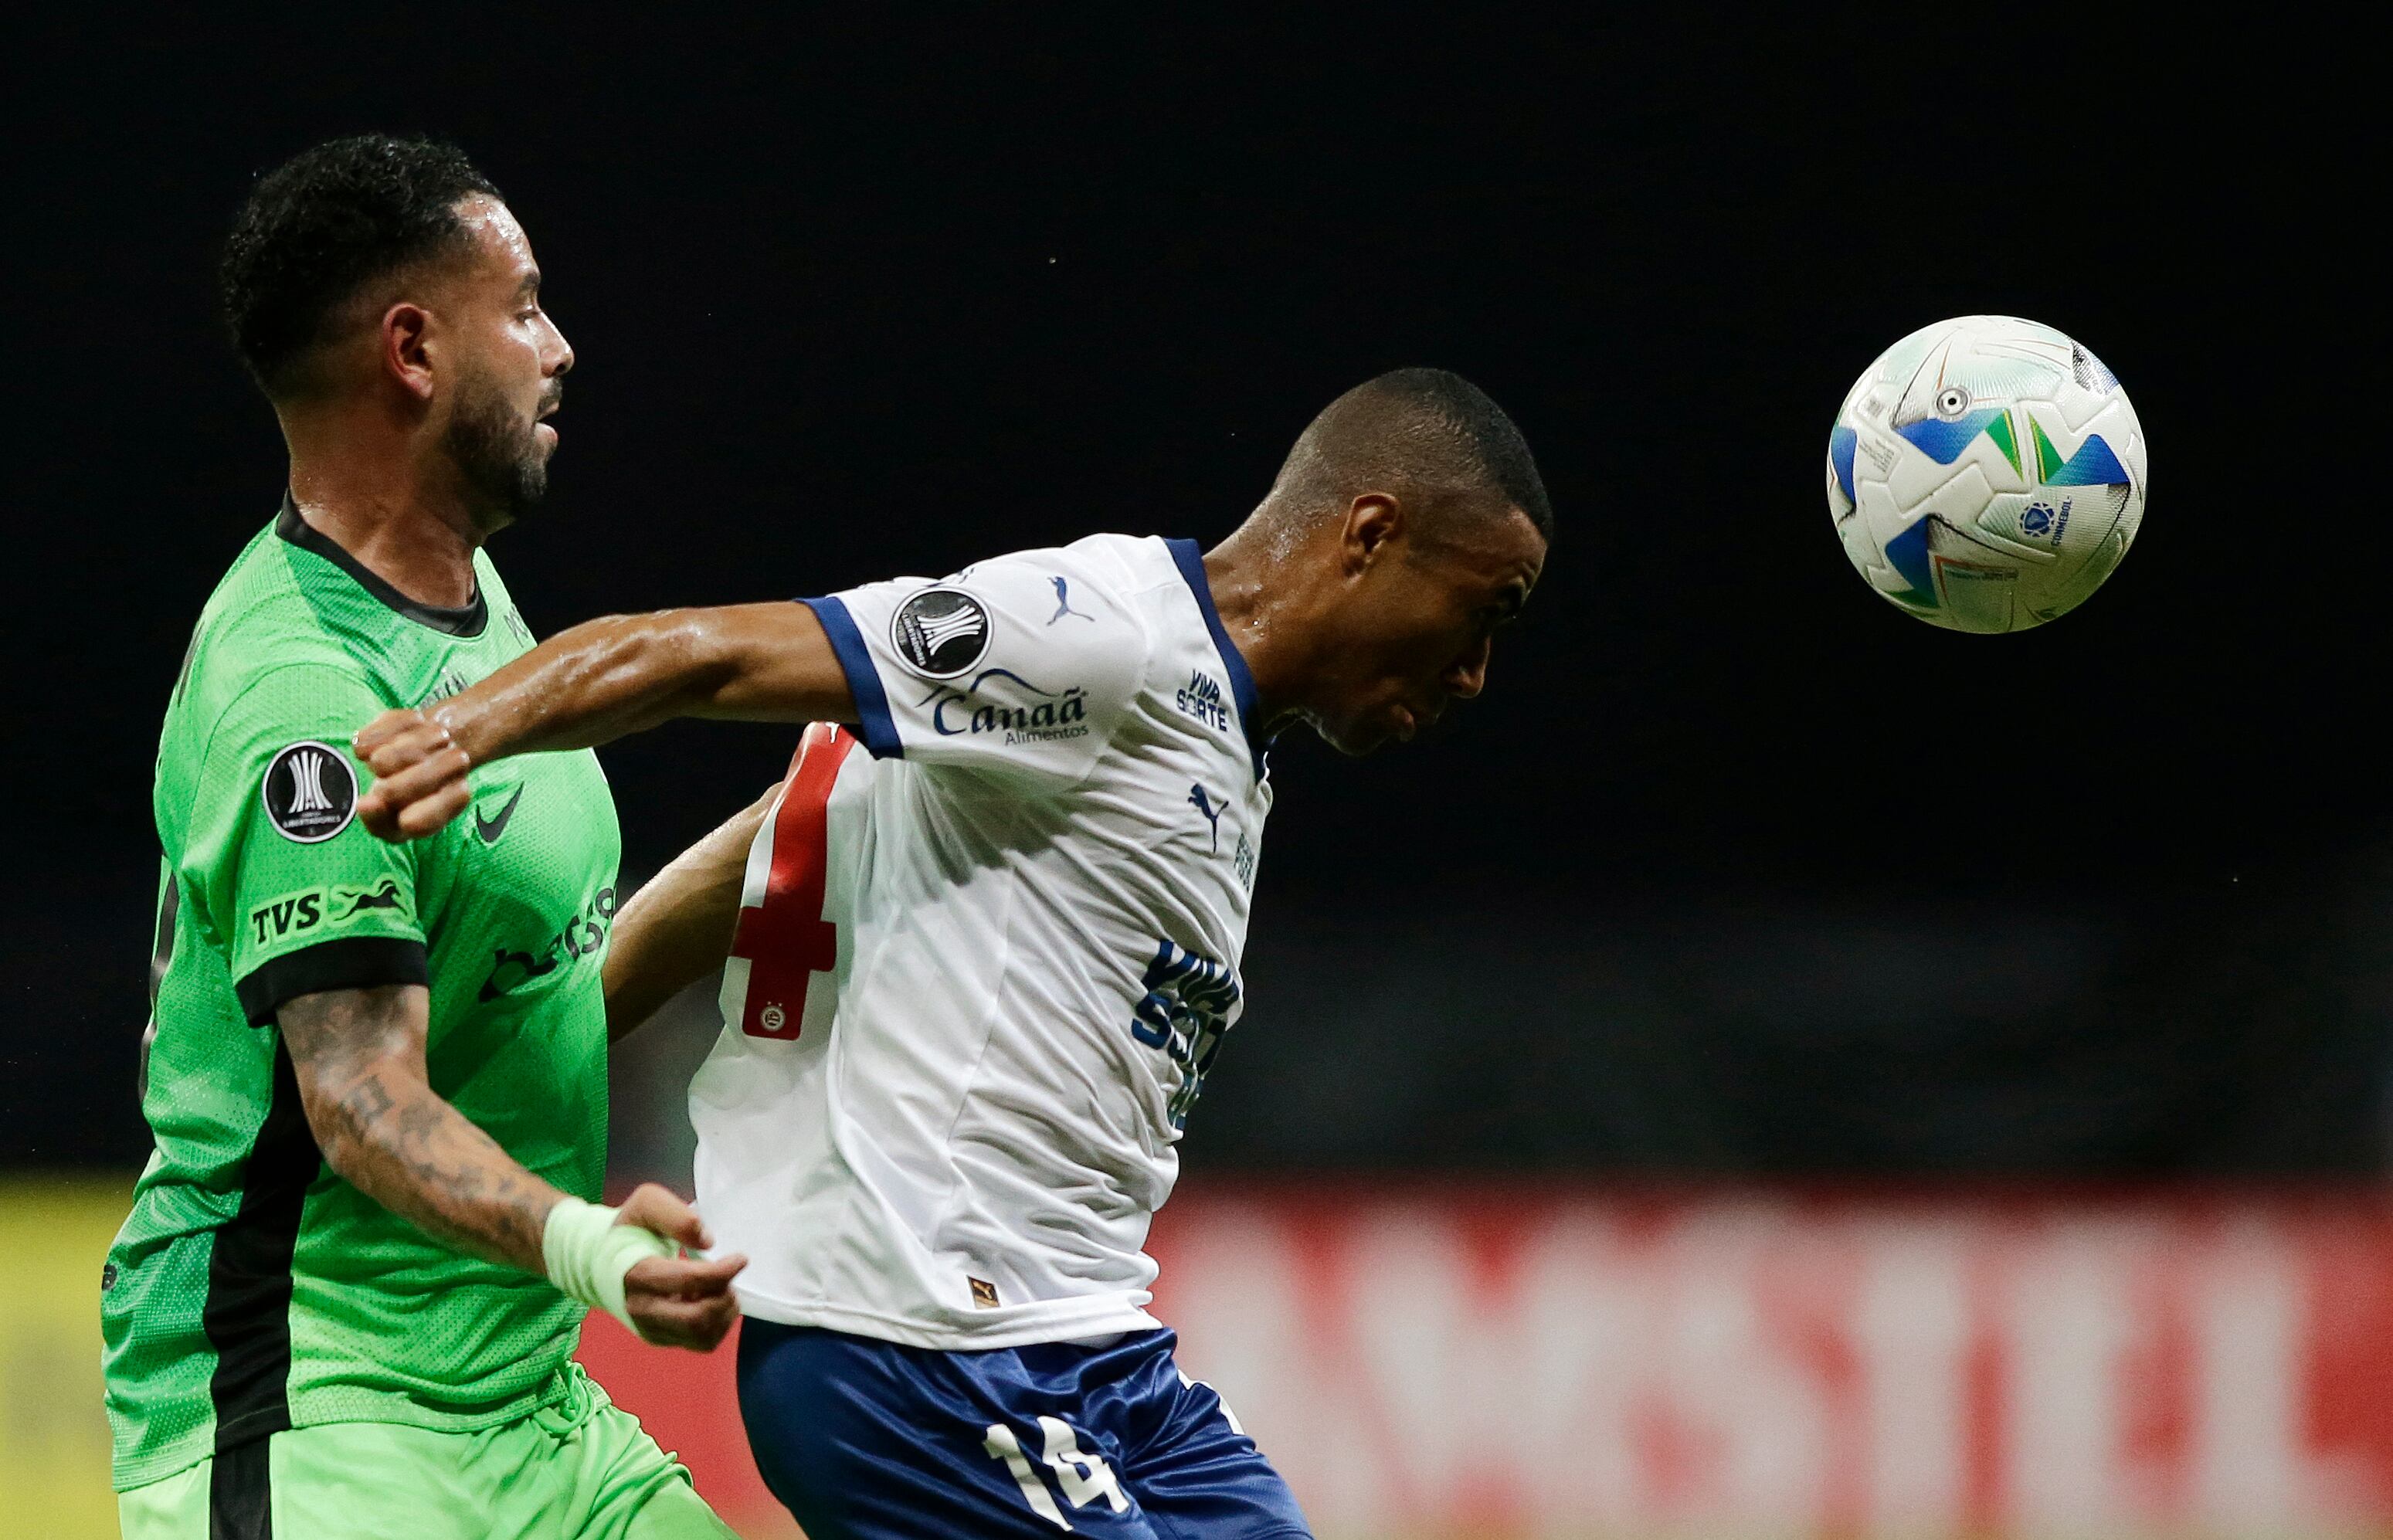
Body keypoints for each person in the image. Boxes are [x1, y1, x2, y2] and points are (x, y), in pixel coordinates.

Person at [355, 366, 1552, 1538]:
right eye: (1484, 611)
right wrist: (459, 732)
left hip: (1091, 1345)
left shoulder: (1210, 734)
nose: (1473, 673)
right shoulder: (1105, 639)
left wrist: (517, 1059)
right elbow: (704, 652)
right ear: (1370, 534)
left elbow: (785, 839)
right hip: (919, 1349)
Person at [104, 134, 743, 1540]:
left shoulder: (467, 609)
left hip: (529, 1403)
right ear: (411, 350)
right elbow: (360, 1099)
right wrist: (593, 1248)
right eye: (524, 307)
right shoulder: (304, 700)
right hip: (317, 1409)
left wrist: (798, 826)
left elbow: (534, 996)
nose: (559, 349)